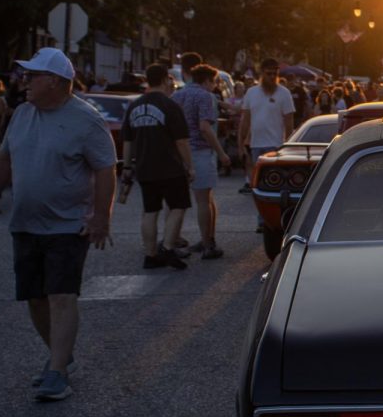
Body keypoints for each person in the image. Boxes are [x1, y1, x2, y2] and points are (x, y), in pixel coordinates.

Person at [0, 48, 117, 401]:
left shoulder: (86, 119)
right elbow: (3, 160)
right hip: (26, 223)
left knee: (61, 295)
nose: (24, 81)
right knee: (34, 297)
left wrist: (101, 218)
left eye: (32, 76)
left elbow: (106, 168)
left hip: (68, 225)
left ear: (56, 82)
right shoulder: (21, 114)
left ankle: (57, 371)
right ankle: (60, 355)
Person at [121, 63, 192, 271]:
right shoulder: (170, 106)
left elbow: (127, 140)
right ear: (164, 79)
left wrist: (127, 166)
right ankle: (168, 248)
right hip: (170, 167)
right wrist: (189, 165)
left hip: (144, 167)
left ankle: (150, 254)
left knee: (150, 211)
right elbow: (181, 141)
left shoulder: (134, 106)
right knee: (178, 206)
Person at [172, 64, 231, 259]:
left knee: (189, 200)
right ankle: (208, 245)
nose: (215, 86)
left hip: (180, 152)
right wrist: (221, 152)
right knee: (204, 201)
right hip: (200, 151)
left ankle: (183, 240)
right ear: (206, 80)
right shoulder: (205, 96)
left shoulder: (178, 95)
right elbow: (205, 127)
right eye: (214, 82)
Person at [239, 59, 295, 232]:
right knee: (258, 186)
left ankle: (279, 220)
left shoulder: (284, 93)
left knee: (278, 187)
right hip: (257, 145)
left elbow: (289, 122)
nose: (272, 77)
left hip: (277, 147)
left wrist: (287, 144)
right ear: (261, 73)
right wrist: (241, 144)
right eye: (268, 74)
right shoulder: (251, 93)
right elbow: (245, 120)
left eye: (275, 74)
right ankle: (262, 220)